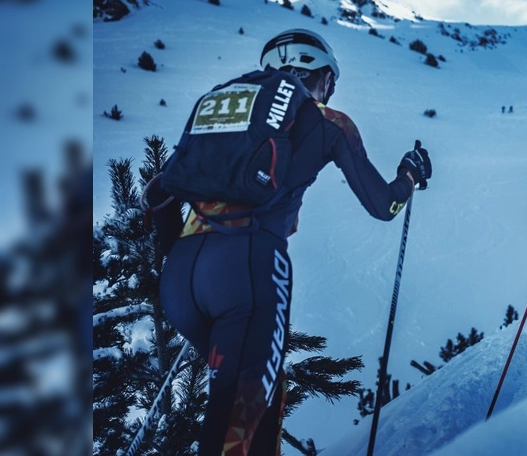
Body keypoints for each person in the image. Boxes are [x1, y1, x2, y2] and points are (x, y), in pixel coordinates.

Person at [146, 29, 432, 455]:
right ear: (317, 75)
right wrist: (410, 175)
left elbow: (157, 194)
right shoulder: (327, 122)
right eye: (330, 82)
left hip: (181, 280)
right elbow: (383, 205)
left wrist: (178, 263)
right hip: (249, 268)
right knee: (235, 427)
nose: (330, 93)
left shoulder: (227, 112)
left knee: (258, 399)